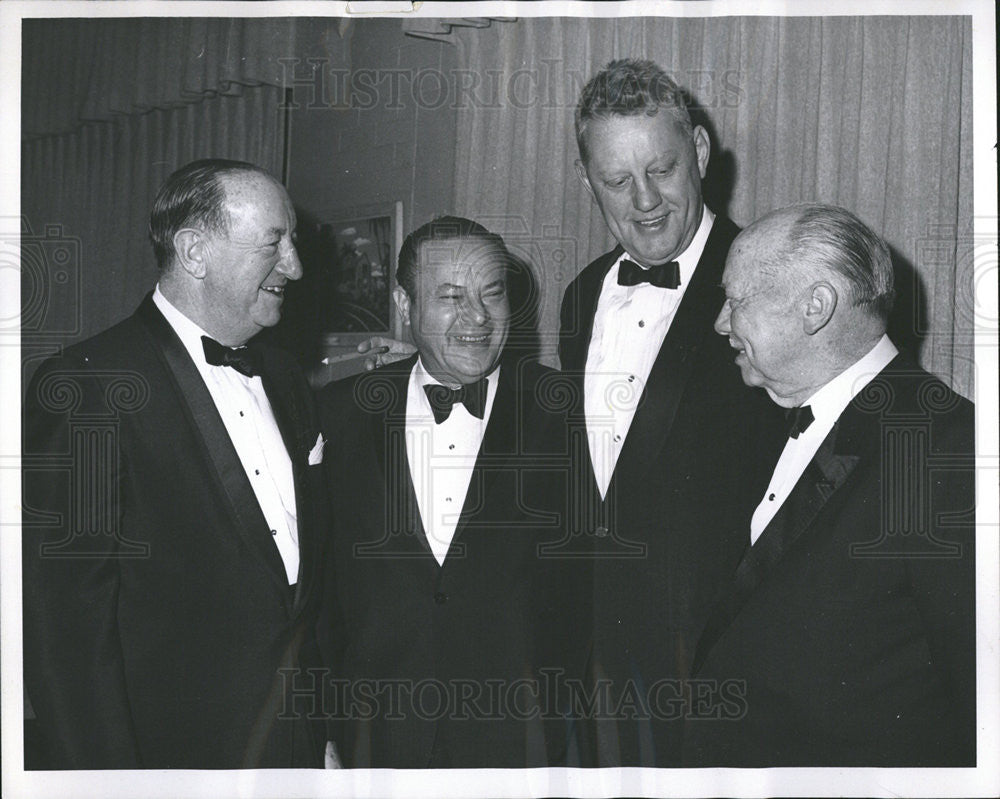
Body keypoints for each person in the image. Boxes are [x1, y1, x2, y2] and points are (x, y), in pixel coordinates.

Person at [22, 159, 328, 769]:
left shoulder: (288, 378)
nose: (295, 265)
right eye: (275, 242)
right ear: (193, 251)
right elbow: (67, 630)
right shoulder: (90, 385)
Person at [682, 203, 975, 766]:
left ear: (815, 307)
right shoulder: (768, 416)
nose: (721, 321)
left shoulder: (948, 449)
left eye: (737, 300)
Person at [557, 58, 784, 766]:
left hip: (715, 666)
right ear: (587, 180)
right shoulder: (583, 292)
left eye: (662, 169)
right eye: (617, 181)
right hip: (592, 667)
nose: (646, 200)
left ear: (703, 155)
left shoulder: (770, 283)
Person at [316, 217, 589, 768]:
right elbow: (319, 597)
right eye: (450, 296)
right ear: (404, 301)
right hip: (374, 747)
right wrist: (318, 731)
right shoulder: (338, 412)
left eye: (492, 294)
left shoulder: (569, 411)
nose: (478, 317)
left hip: (525, 753)